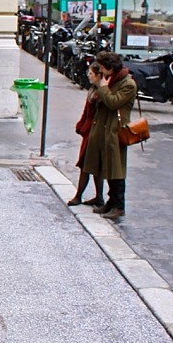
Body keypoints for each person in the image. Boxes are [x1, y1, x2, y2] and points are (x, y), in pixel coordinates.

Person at [84, 51, 138, 221]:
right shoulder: (110, 80)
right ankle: (110, 201)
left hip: (115, 130)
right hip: (103, 129)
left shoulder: (127, 84)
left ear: (109, 68)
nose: (99, 71)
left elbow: (114, 102)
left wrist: (103, 88)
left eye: (101, 67)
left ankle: (119, 205)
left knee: (116, 168)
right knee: (106, 167)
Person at [66, 64, 104, 207]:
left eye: (91, 73)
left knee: (87, 165)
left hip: (94, 133)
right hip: (88, 131)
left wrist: (83, 126)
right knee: (93, 166)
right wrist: (81, 125)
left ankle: (79, 196)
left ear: (99, 75)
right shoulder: (93, 90)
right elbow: (86, 111)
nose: (89, 75)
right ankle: (98, 196)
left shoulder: (100, 93)